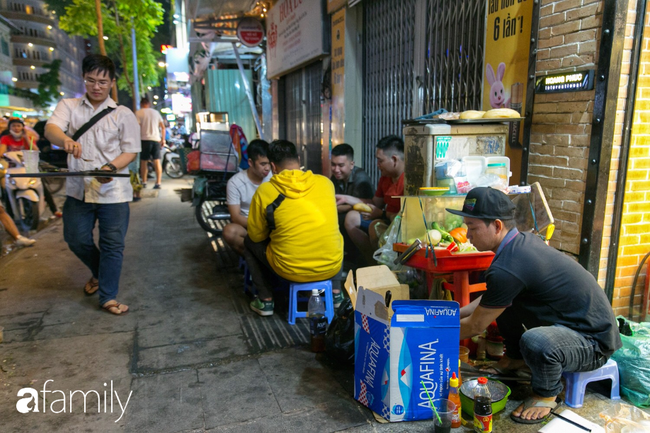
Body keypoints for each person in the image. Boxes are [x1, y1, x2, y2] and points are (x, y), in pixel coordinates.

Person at [448, 187, 622, 424]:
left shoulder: (510, 263)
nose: (467, 235)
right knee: (505, 304)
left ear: (497, 226)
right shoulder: (520, 244)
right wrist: (451, 314)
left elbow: (477, 325)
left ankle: (546, 394)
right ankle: (515, 358)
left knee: (536, 341)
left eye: (473, 227)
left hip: (593, 343)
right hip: (573, 328)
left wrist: (433, 334)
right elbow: (491, 300)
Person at [45, 54, 141, 316]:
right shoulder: (70, 105)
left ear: (111, 82)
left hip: (113, 191)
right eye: (91, 80)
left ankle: (107, 296)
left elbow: (131, 150)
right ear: (84, 79)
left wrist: (109, 168)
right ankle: (100, 273)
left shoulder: (122, 114)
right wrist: (64, 139)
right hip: (79, 190)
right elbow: (50, 128)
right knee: (75, 238)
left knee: (113, 244)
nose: (96, 86)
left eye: (102, 81)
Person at [243, 140, 343, 316]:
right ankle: (335, 294)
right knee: (335, 235)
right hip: (331, 267)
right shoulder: (326, 183)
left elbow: (257, 236)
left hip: (289, 270)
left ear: (273, 166)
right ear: (298, 159)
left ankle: (266, 300)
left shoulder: (265, 191)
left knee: (249, 240)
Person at [337, 135, 405, 266]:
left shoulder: (408, 181)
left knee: (375, 226)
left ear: (394, 160)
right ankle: (371, 263)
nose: (377, 165)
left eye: (380, 161)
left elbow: (405, 217)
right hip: (385, 219)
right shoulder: (385, 178)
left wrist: (381, 214)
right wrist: (346, 198)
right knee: (352, 218)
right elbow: (375, 203)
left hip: (399, 225)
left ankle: (384, 266)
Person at [1, 118, 61, 218]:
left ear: (23, 127)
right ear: (9, 128)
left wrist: (26, 138)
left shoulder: (28, 137)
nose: (16, 128)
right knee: (6, 188)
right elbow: (2, 151)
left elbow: (35, 150)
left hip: (28, 166)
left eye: (18, 126)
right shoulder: (5, 138)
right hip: (12, 168)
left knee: (41, 184)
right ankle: (9, 216)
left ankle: (54, 210)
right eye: (13, 126)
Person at [222, 139, 272, 255]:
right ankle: (256, 259)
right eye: (263, 164)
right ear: (250, 162)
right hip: (249, 227)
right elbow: (235, 216)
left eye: (269, 163)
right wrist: (261, 227)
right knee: (230, 232)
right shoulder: (235, 182)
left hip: (273, 226)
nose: (267, 168)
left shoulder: (274, 177)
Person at [329, 143, 374, 268]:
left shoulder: (361, 178)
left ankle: (368, 261)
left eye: (341, 165)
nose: (336, 169)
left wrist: (336, 207)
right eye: (333, 164)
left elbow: (362, 205)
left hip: (364, 219)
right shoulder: (335, 178)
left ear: (352, 164)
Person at [135, 98, 165, 189]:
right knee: (157, 161)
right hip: (156, 140)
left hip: (144, 140)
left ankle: (144, 182)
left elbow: (137, 127)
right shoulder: (156, 112)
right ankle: (158, 182)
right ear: (149, 103)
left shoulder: (139, 113)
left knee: (143, 161)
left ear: (141, 104)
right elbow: (163, 127)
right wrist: (163, 139)